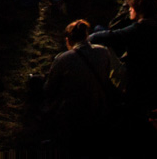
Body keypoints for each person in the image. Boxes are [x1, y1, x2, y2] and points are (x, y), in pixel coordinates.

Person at [43, 20, 114, 154]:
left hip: (72, 114)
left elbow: (49, 89)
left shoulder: (64, 58)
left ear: (68, 40)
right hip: (99, 107)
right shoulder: (103, 51)